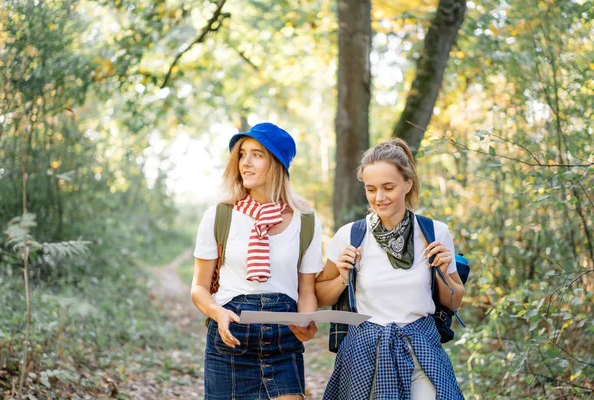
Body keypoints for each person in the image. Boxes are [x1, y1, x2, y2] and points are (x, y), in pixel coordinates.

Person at [316, 138, 465, 400]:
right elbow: (320, 296)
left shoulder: (434, 233)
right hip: (365, 353)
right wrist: (342, 277)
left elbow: (455, 301)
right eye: (371, 189)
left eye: (388, 187)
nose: (379, 197)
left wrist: (442, 270)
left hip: (421, 348)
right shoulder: (349, 235)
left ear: (408, 183)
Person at [190, 122, 323, 400]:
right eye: (242, 154)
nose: (245, 163)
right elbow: (199, 288)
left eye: (257, 155)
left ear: (277, 164)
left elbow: (307, 291)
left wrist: (307, 320)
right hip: (231, 341)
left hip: (283, 343)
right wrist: (217, 313)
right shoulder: (219, 216)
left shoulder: (306, 221)